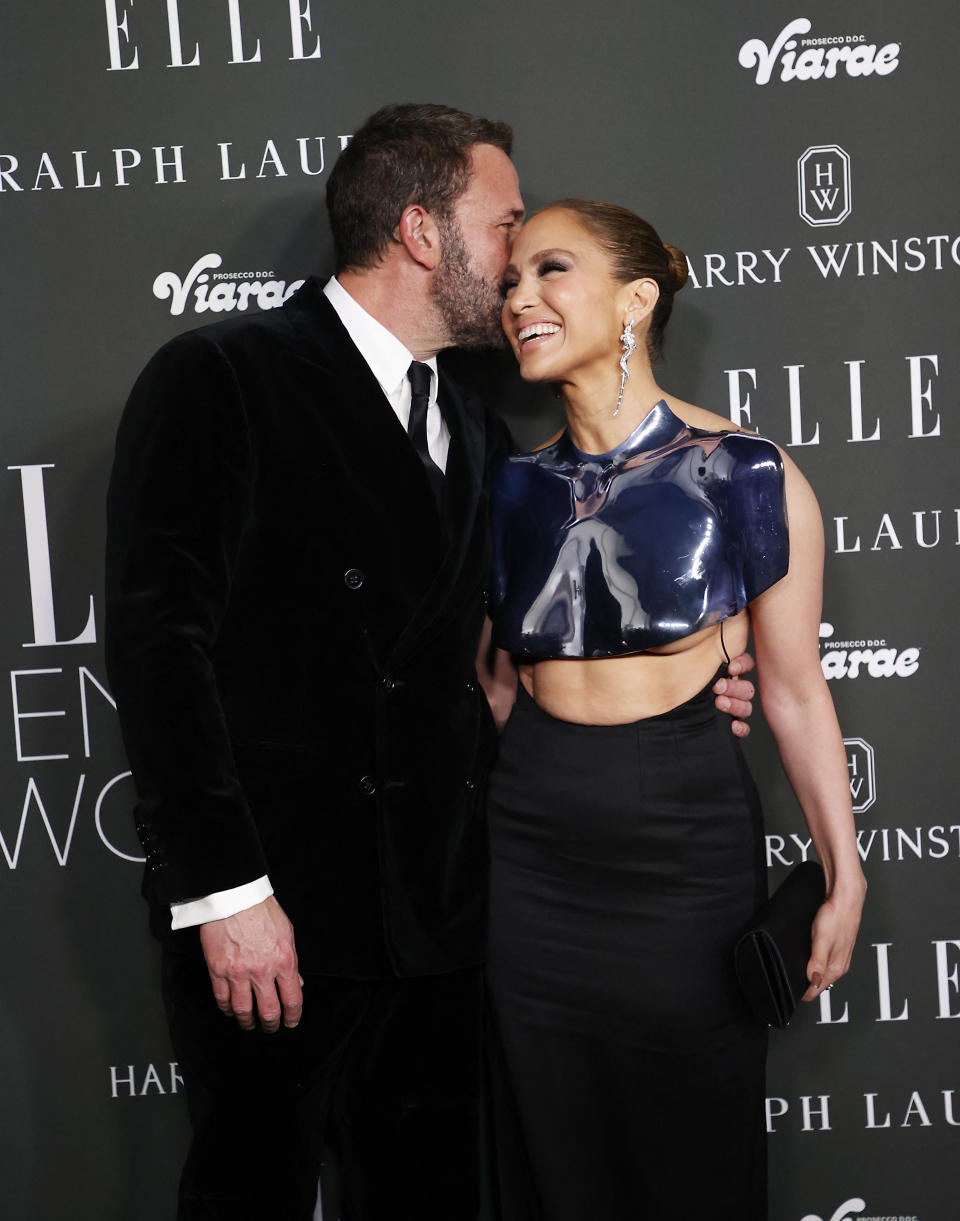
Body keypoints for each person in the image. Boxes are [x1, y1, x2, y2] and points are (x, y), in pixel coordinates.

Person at [105, 103, 758, 1221]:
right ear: (420, 231)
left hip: (443, 923)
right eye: (504, 226)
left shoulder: (472, 414)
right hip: (280, 915)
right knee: (249, 1193)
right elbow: (162, 649)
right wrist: (225, 894)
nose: (520, 257)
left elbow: (499, 659)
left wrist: (684, 694)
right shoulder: (222, 377)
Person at [485, 200, 867, 1221]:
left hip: (682, 849)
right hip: (533, 859)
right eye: (512, 280)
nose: (520, 298)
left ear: (637, 301)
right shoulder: (510, 489)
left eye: (551, 272)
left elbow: (791, 688)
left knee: (691, 1151)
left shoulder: (744, 472)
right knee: (552, 1156)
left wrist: (845, 868)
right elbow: (493, 678)